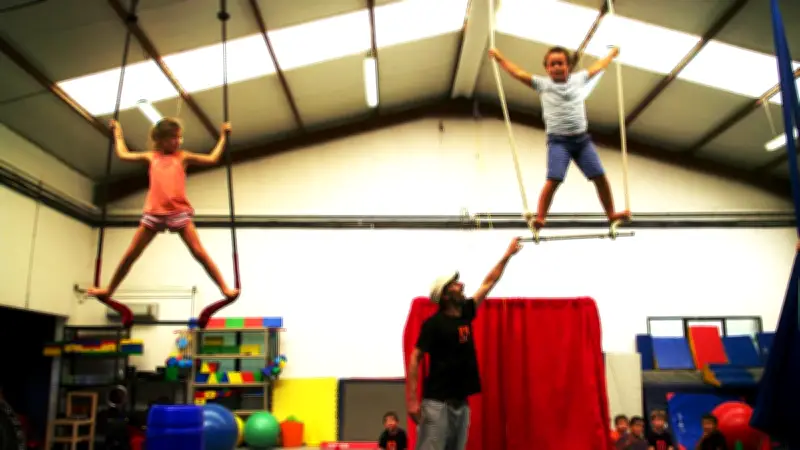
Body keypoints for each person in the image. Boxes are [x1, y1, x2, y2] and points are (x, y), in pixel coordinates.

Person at [88, 119, 240, 320]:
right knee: (131, 254)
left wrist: (223, 136)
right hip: (153, 214)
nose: (178, 141)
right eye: (173, 138)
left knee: (199, 252)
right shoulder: (152, 157)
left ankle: (224, 288)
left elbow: (212, 159)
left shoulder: (183, 157)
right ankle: (108, 290)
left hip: (178, 212)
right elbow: (123, 154)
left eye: (179, 137)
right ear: (160, 140)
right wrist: (118, 131)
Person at [488, 45, 631, 232]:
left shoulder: (579, 79)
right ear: (547, 69)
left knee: (600, 177)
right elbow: (518, 73)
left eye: (560, 63)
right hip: (559, 142)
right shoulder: (543, 84)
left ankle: (611, 214)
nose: (556, 67)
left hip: (582, 141)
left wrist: (611, 55)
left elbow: (598, 67)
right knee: (554, 179)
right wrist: (499, 58)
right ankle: (540, 217)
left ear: (568, 66)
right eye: (552, 64)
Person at [406, 237, 522, 450]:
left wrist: (507, 255)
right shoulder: (434, 324)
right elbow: (415, 357)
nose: (462, 285)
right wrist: (412, 401)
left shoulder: (465, 313)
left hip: (461, 402)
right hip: (437, 403)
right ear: (446, 294)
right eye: (456, 284)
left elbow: (489, 282)